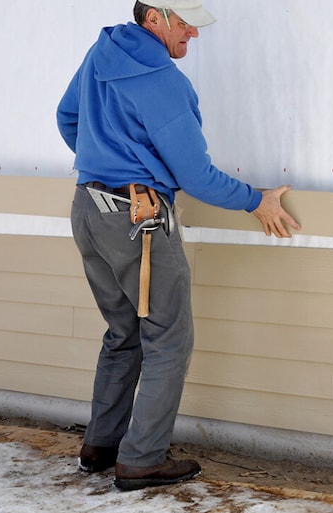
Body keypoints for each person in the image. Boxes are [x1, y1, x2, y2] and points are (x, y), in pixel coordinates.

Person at [56, 0, 300, 492]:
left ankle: (101, 446)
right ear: (154, 18)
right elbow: (196, 176)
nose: (194, 32)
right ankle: (142, 458)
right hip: (138, 219)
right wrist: (257, 201)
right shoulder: (163, 80)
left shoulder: (100, 54)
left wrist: (109, 160)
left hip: (88, 208)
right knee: (168, 338)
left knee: (123, 332)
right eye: (185, 22)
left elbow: (67, 120)